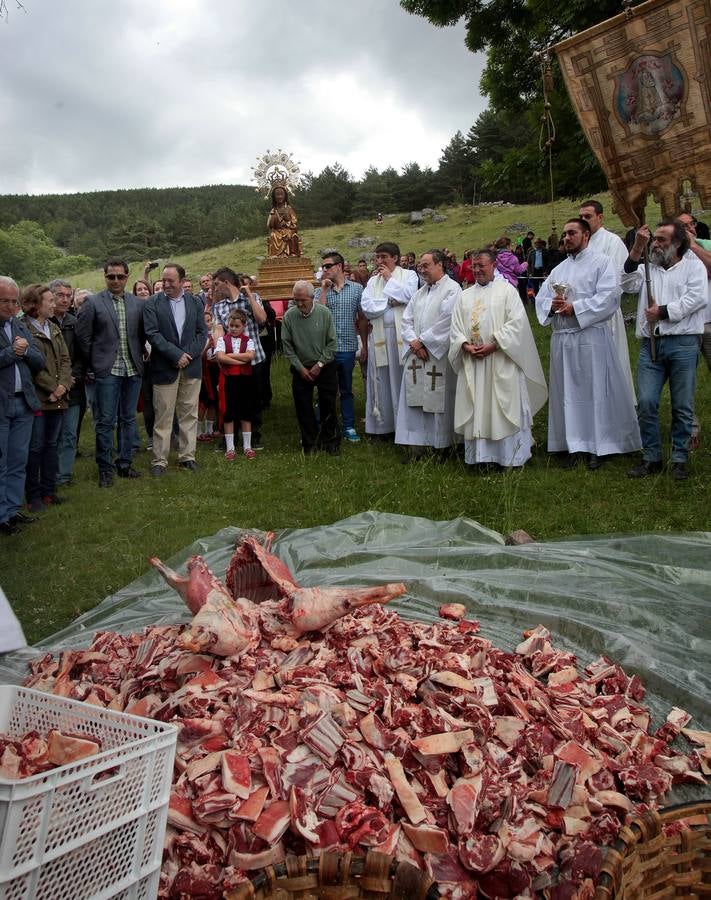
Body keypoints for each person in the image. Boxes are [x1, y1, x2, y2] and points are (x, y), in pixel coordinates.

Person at [536, 218, 641, 469]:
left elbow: (610, 297)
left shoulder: (602, 263)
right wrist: (551, 306)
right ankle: (573, 444)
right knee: (567, 394)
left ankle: (599, 444)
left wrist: (576, 308)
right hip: (563, 340)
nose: (566, 238)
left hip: (591, 336)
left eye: (572, 233)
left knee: (595, 392)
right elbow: (542, 296)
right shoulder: (559, 269)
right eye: (564, 234)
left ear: (585, 236)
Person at [622, 221, 707, 481]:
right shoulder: (648, 268)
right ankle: (652, 457)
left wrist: (663, 312)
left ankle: (679, 457)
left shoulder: (693, 267)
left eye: (661, 240)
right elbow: (626, 284)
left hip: (683, 343)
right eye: (654, 239)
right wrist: (636, 249)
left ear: (678, 243)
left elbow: (697, 298)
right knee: (646, 402)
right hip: (652, 345)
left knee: (682, 405)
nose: (655, 245)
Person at [449, 251, 547, 470]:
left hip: (501, 359)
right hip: (473, 362)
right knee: (478, 406)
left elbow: (517, 324)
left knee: (502, 406)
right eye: (474, 266)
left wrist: (494, 344)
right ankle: (480, 458)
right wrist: (464, 345)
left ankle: (509, 456)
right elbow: (455, 328)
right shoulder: (465, 296)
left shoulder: (507, 292)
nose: (476, 270)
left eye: (481, 265)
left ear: (493, 265)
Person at [76, 257, 145, 487]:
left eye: (120, 276)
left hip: (132, 369)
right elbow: (83, 338)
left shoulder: (137, 303)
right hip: (107, 370)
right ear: (105, 277)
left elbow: (142, 335)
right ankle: (105, 468)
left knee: (128, 419)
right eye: (111, 276)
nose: (115, 280)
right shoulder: (93, 303)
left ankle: (124, 463)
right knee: (105, 422)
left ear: (127, 277)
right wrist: (95, 364)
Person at [395, 250, 461, 457]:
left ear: (440, 265)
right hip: (418, 353)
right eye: (420, 266)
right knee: (415, 400)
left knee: (439, 400)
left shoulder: (453, 290)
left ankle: (442, 444)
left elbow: (447, 321)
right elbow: (406, 319)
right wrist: (414, 343)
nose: (421, 270)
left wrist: (422, 342)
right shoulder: (420, 292)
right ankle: (418, 444)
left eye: (426, 265)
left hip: (438, 355)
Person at [143, 263, 207, 475]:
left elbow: (201, 333)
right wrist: (175, 355)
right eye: (164, 280)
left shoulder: (195, 302)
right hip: (164, 367)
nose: (166, 284)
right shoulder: (152, 303)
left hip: (191, 367)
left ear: (181, 280)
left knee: (189, 413)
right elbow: (152, 333)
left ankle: (187, 457)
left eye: (171, 280)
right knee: (163, 414)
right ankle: (159, 460)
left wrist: (186, 355)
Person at [21, 284, 72, 512]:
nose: (54, 304)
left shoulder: (54, 328)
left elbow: (65, 360)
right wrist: (52, 388)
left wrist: (63, 386)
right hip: (39, 399)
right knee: (36, 448)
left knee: (52, 446)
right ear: (35, 304)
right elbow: (32, 367)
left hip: (58, 398)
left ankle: (49, 492)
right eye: (49, 300)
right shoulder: (23, 329)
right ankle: (34, 496)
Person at [0, 276, 45, 535]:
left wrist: (26, 351)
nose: (9, 306)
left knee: (18, 460)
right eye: (4, 301)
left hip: (23, 403)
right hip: (2, 405)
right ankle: (1, 515)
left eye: (13, 301)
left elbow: (39, 361)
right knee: (2, 461)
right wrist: (12, 353)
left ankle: (12, 509)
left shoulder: (19, 326)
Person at [579, 199, 636, 399]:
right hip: (581, 312)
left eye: (588, 216)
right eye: (581, 217)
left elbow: (619, 278)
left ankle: (616, 406)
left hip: (606, 314)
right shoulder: (580, 242)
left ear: (600, 217)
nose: (583, 220)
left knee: (611, 363)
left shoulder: (612, 242)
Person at [361, 242, 419, 437]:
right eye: (377, 257)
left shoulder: (409, 275)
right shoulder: (372, 281)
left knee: (401, 378)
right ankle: (383, 426)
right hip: (380, 336)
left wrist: (389, 279)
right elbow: (367, 307)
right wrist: (390, 302)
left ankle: (404, 426)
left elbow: (410, 295)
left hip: (401, 335)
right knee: (380, 380)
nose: (379, 261)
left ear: (395, 257)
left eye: (383, 257)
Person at [281, 280, 339, 454]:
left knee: (328, 404)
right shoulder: (289, 316)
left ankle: (331, 442)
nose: (299, 304)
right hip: (301, 368)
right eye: (295, 300)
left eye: (302, 300)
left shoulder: (324, 313)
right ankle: (310, 443)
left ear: (312, 298)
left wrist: (320, 364)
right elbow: (287, 346)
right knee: (303, 406)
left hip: (324, 366)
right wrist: (300, 368)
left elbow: (332, 343)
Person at [212, 268, 267, 448]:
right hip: (230, 359)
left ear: (226, 283)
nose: (215, 289)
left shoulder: (251, 298)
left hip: (254, 357)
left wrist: (249, 295)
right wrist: (219, 352)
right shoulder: (219, 306)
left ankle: (253, 436)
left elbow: (262, 319)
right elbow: (218, 330)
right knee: (231, 398)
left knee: (253, 399)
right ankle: (231, 436)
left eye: (216, 284)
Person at [315, 251, 367, 443]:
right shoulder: (319, 290)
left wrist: (365, 345)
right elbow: (317, 316)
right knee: (325, 389)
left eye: (328, 266)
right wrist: (323, 291)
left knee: (346, 388)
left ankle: (348, 425)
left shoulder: (356, 289)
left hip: (346, 345)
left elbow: (362, 319)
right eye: (323, 267)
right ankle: (323, 424)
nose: (324, 270)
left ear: (339, 267)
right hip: (325, 348)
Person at [49, 279, 84, 487]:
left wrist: (71, 379)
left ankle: (63, 475)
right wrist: (56, 383)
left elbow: (82, 355)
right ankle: (47, 475)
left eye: (68, 295)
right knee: (50, 437)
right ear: (50, 296)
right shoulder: (43, 322)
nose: (64, 299)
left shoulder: (75, 322)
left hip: (73, 387)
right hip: (49, 390)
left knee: (70, 434)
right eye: (60, 295)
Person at [215, 310, 257, 460]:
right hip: (228, 380)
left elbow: (250, 355)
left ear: (243, 326)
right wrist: (240, 361)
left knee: (246, 412)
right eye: (231, 325)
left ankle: (247, 446)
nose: (233, 328)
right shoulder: (222, 340)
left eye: (236, 326)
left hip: (244, 380)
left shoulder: (248, 341)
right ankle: (230, 448)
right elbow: (220, 357)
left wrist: (230, 356)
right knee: (229, 413)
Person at [197, 307, 220, 442]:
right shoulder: (200, 337)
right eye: (205, 321)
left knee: (214, 401)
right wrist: (207, 347)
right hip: (203, 373)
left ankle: (210, 429)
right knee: (204, 401)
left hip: (215, 370)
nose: (208, 323)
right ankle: (198, 430)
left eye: (209, 320)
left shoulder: (216, 334)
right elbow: (197, 356)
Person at [267, 185, 301, 257]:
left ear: (285, 196)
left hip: (289, 230)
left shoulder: (289, 209)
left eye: (281, 194)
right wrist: (274, 217)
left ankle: (291, 253)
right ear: (274, 197)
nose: (279, 197)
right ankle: (276, 255)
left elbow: (295, 223)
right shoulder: (273, 210)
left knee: (291, 235)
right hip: (277, 232)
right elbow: (269, 225)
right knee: (273, 236)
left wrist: (287, 222)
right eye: (277, 195)